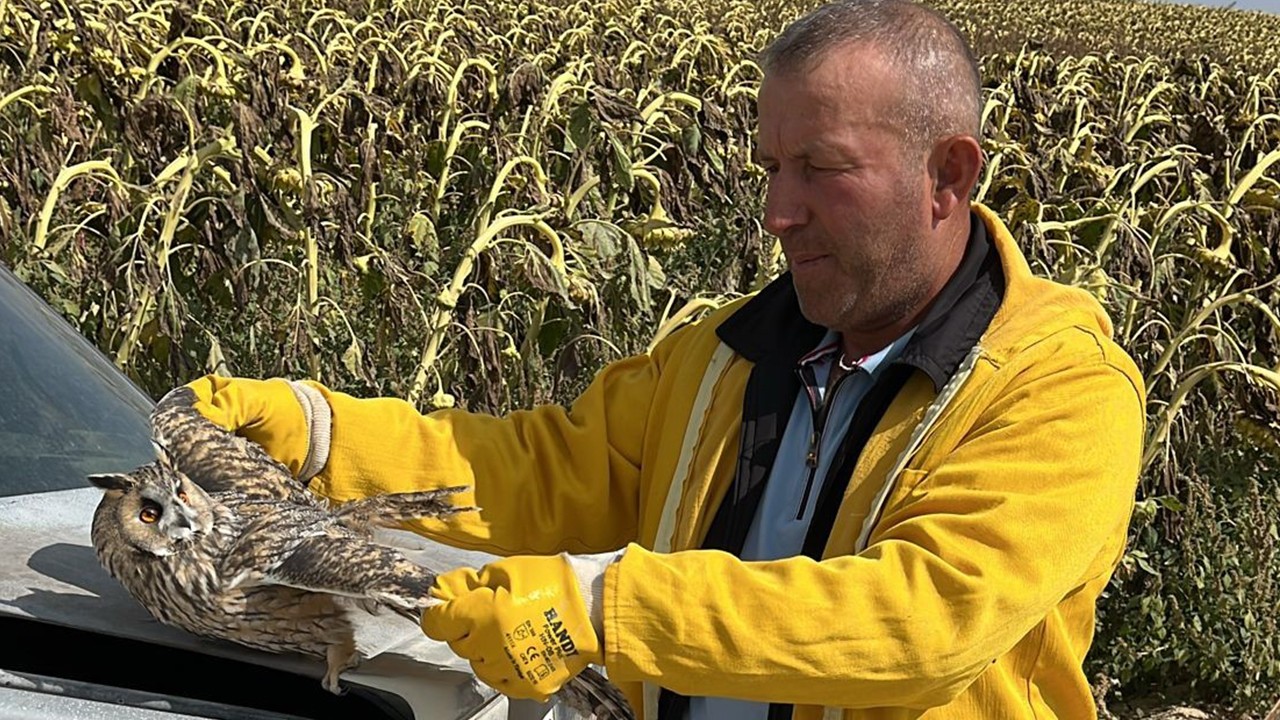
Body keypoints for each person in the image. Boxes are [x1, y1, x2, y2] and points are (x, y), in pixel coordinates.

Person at [181, 0, 1146, 718]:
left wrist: (602, 605)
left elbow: (922, 619)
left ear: (950, 175)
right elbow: (540, 470)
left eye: (822, 168)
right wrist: (318, 432)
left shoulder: (1055, 385)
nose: (778, 212)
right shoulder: (726, 357)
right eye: (771, 168)